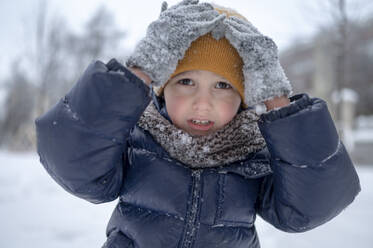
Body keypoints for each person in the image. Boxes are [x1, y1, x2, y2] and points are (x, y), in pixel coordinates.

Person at [35, 0, 360, 247]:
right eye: (186, 82)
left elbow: (312, 206)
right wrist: (141, 69)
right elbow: (72, 161)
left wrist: (277, 99)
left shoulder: (254, 156)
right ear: (162, 88)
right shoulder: (136, 140)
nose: (202, 103)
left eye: (223, 86)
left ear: (246, 96)